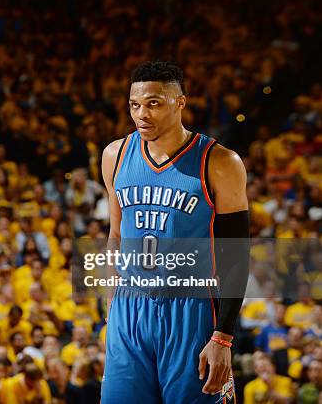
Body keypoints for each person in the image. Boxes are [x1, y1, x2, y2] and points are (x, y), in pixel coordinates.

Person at [100, 61, 250, 403]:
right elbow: (115, 236)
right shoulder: (115, 154)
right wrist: (112, 309)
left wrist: (223, 336)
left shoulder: (220, 162)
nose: (142, 114)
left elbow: (236, 256)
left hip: (191, 310)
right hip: (130, 308)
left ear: (180, 102)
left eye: (154, 103)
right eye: (134, 105)